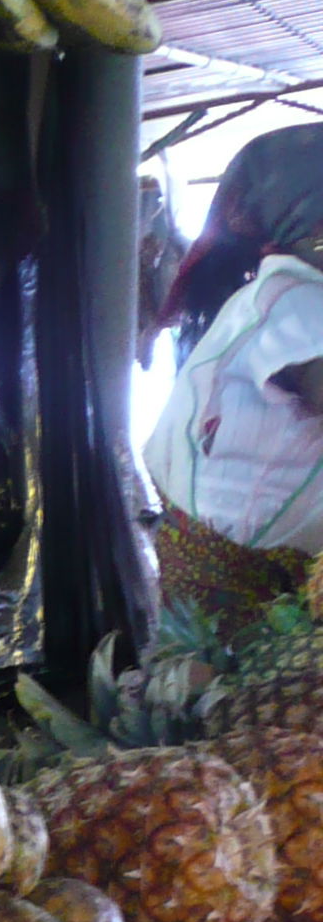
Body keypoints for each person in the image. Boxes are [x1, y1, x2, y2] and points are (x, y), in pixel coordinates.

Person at [145, 142, 323, 632]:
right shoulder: (298, 302)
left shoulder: (275, 291)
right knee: (228, 698)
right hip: (243, 576)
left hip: (256, 554)